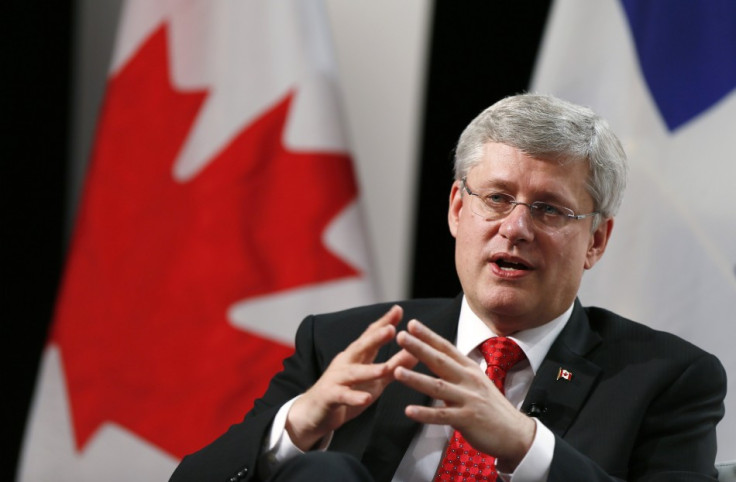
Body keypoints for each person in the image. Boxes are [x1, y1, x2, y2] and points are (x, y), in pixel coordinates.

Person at [169, 93, 726, 482]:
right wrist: (295, 426)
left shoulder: (668, 379)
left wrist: (527, 448)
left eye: (549, 209)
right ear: (458, 209)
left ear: (597, 241)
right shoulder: (347, 343)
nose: (515, 227)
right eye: (497, 198)